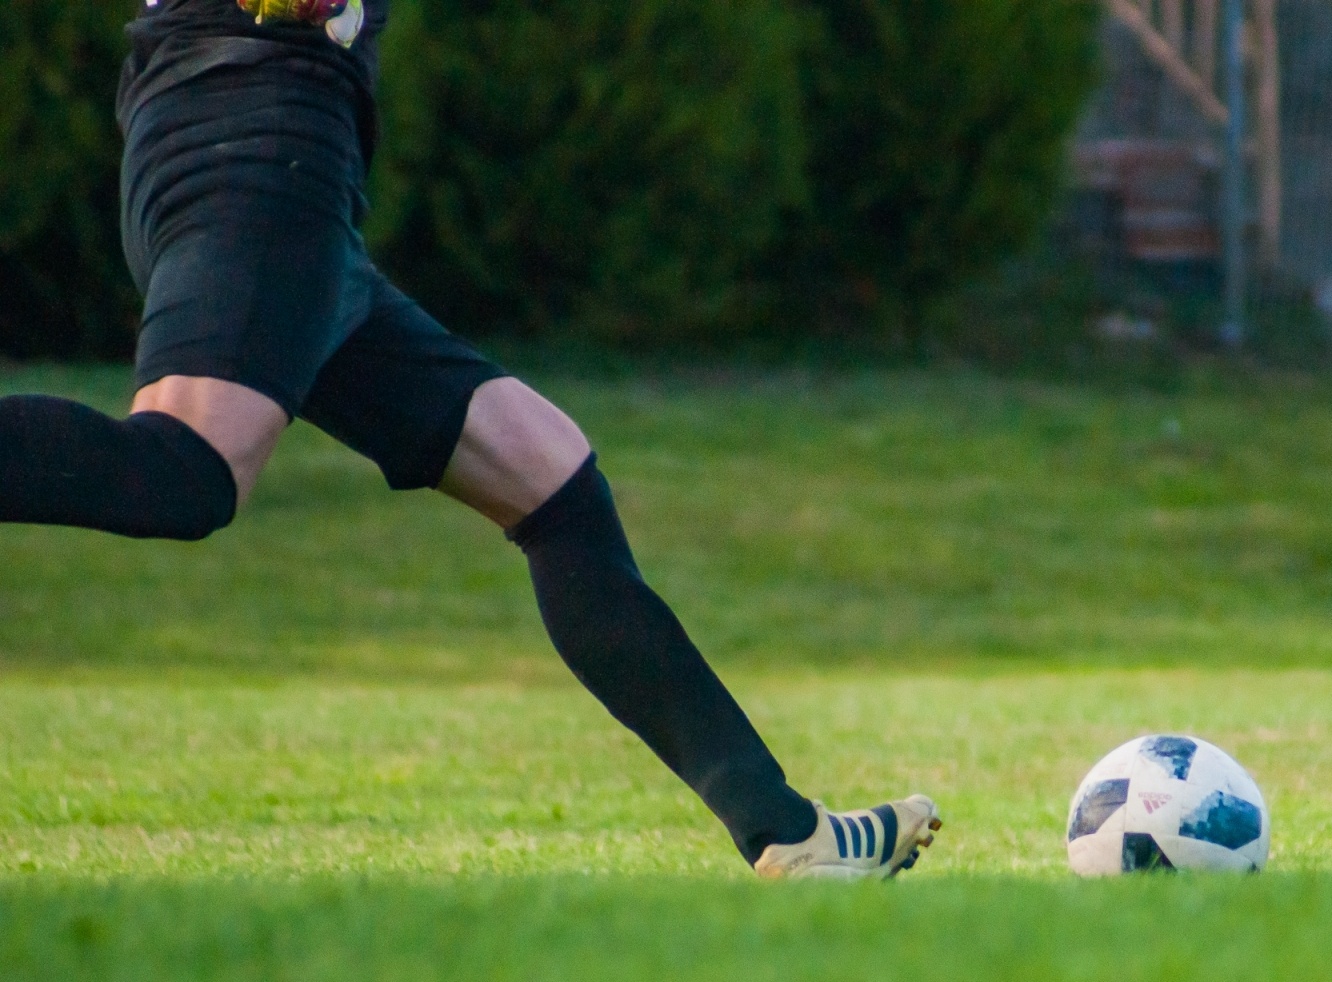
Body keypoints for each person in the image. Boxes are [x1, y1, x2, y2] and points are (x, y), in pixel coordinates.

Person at [0, 0, 939, 878]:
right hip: (250, 141)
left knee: (551, 481)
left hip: (287, 163)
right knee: (185, 471)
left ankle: (785, 831)